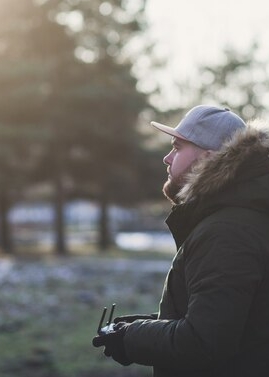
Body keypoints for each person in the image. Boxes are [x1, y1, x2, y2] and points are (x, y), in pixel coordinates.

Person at [92, 105, 269, 376]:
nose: (166, 157)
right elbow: (230, 321)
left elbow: (204, 342)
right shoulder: (233, 220)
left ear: (207, 158)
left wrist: (131, 339)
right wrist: (141, 327)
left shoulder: (227, 231)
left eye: (177, 147)